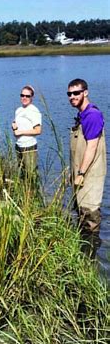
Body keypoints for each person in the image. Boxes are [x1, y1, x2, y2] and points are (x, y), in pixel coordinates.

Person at [68, 78, 106, 233]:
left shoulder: (92, 115)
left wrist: (81, 173)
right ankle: (84, 253)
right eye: (69, 94)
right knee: (81, 215)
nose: (72, 97)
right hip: (80, 175)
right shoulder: (82, 115)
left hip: (89, 176)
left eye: (76, 93)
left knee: (90, 216)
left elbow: (91, 147)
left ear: (85, 92)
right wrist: (72, 174)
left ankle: (92, 254)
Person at [11, 85, 42, 178]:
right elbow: (17, 130)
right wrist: (14, 128)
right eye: (22, 95)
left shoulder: (34, 111)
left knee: (31, 175)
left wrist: (20, 132)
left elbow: (38, 130)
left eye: (27, 96)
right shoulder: (18, 110)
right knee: (22, 174)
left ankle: (34, 191)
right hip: (18, 146)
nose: (24, 98)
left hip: (29, 147)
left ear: (31, 97)